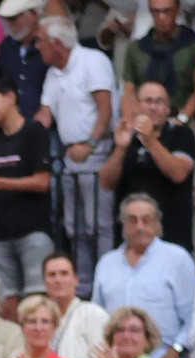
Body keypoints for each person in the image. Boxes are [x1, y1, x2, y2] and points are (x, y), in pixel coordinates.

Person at [36, 18, 115, 295]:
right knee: (74, 225)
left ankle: (105, 283)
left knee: (98, 224)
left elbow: (105, 109)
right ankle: (82, 286)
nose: (37, 46)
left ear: (57, 43)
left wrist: (92, 144)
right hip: (68, 155)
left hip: (95, 151)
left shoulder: (92, 60)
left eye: (40, 40)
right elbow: (44, 116)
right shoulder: (53, 73)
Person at [91, 194, 195, 358]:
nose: (140, 227)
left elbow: (192, 315)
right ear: (123, 224)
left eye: (146, 220)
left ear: (157, 223)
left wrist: (175, 350)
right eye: (132, 220)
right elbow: (97, 316)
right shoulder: (106, 263)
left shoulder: (177, 259)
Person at [0, 77, 53, 305]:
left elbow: (42, 182)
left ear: (11, 98)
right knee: (3, 303)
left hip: (33, 231)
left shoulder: (34, 132)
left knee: (37, 302)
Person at [99, 83, 194, 255]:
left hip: (172, 237)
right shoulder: (126, 136)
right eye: (148, 101)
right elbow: (106, 182)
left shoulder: (182, 134)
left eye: (159, 102)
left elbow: (178, 174)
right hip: (130, 240)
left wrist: (149, 140)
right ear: (136, 106)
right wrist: (121, 148)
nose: (153, 107)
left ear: (167, 109)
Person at [120, 0, 195, 116]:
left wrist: (182, 119)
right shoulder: (137, 48)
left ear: (177, 9)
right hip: (146, 118)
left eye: (167, 11)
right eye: (155, 11)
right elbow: (129, 91)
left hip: (184, 115)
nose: (161, 17)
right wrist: (129, 120)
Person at [45, 251, 108, 358]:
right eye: (51, 275)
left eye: (64, 274)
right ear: (44, 283)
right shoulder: (40, 320)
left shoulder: (93, 314)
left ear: (76, 280)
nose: (58, 280)